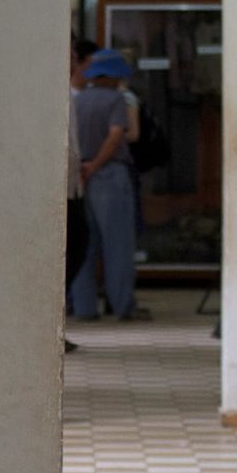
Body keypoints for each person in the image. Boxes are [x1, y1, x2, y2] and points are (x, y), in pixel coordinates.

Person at [70, 51, 140, 320]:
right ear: (113, 77)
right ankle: (122, 306)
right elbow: (115, 135)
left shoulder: (78, 100)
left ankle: (84, 308)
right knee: (118, 245)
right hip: (109, 175)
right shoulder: (116, 100)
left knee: (84, 245)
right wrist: (97, 164)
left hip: (80, 176)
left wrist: (83, 168)